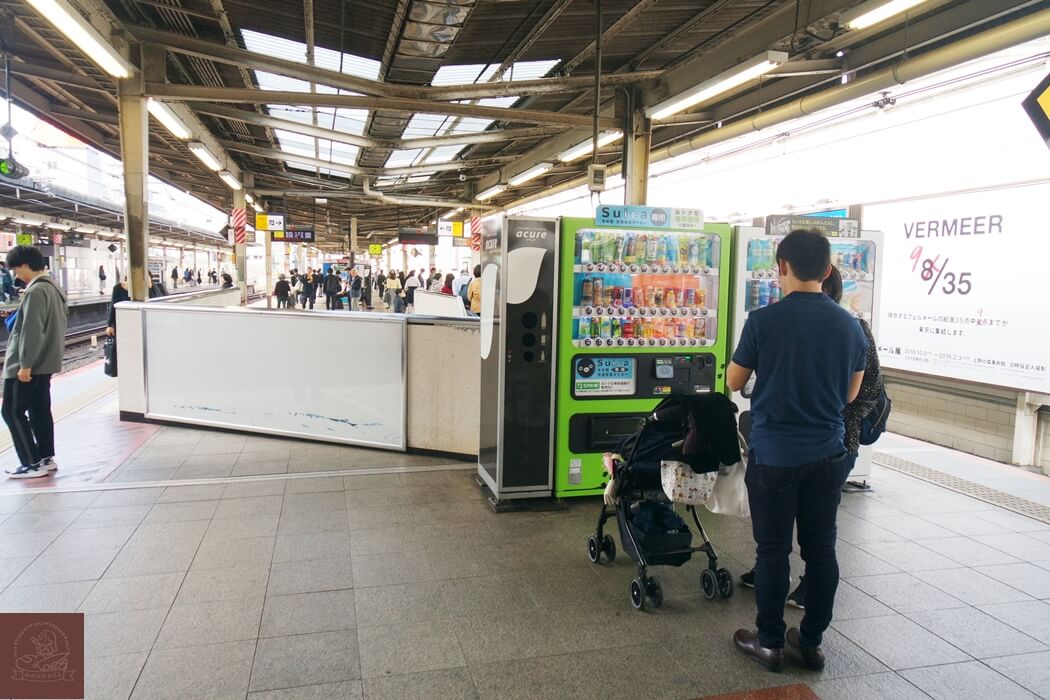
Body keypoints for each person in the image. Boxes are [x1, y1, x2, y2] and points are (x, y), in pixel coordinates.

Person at [726, 230, 867, 673]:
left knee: (772, 551)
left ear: (781, 267)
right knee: (821, 551)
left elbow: (733, 381)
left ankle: (768, 643)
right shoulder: (851, 326)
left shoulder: (763, 321)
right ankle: (810, 643)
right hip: (828, 456)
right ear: (827, 271)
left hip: (774, 456)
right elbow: (849, 395)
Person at [739, 266, 884, 610]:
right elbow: (857, 389)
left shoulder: (773, 321)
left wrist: (836, 416)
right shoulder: (847, 327)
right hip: (827, 446)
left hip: (801, 445)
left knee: (777, 544)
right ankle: (810, 640)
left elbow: (867, 389)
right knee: (817, 544)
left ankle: (772, 633)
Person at [2, 246, 68, 479]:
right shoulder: (53, 288)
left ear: (27, 265)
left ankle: (31, 463)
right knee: (40, 410)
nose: (17, 275)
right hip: (46, 362)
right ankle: (45, 458)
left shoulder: (36, 291)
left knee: (11, 411)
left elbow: (31, 331)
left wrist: (25, 364)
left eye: (17, 270)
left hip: (28, 365)